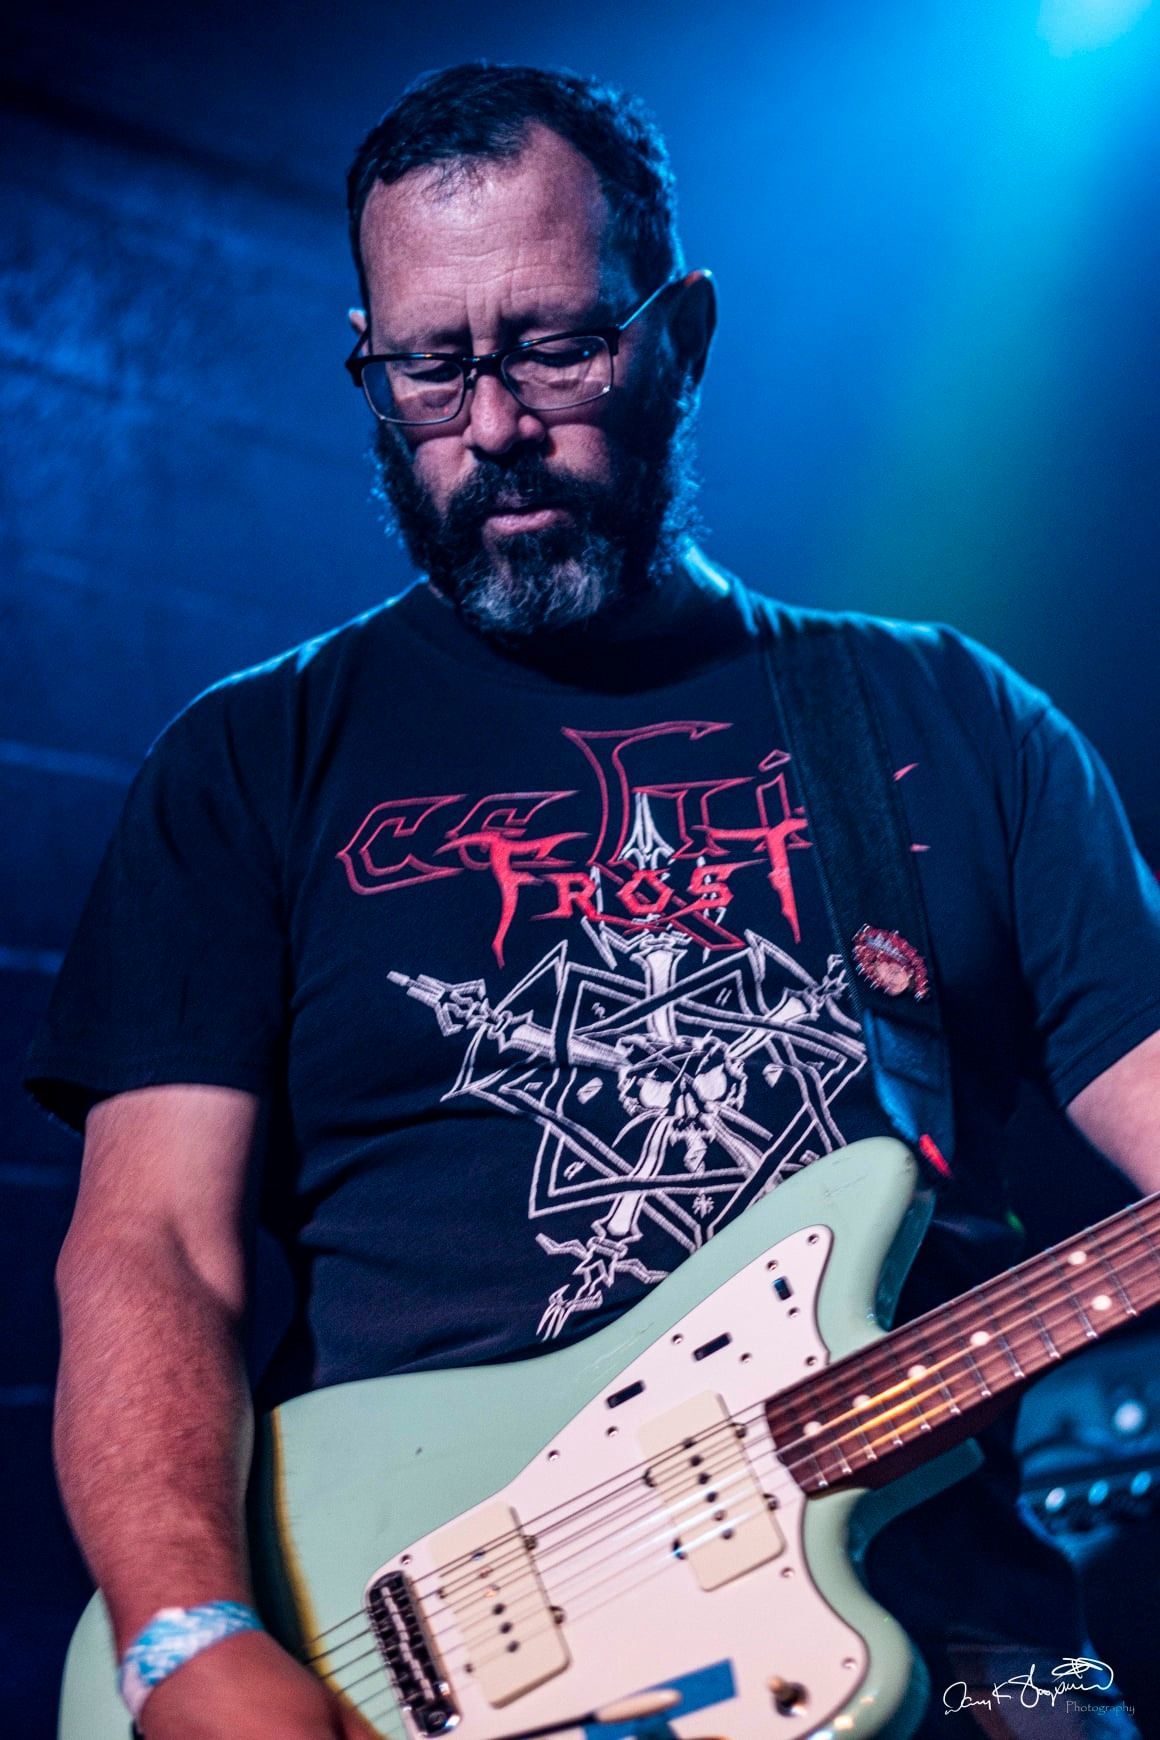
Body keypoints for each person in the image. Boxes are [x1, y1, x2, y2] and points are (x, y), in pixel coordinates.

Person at [27, 61, 1160, 1740]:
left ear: (679, 337)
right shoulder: (250, 760)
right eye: (429, 367)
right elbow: (152, 1250)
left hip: (972, 1638)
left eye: (555, 347)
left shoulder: (952, 721)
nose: (491, 427)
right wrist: (182, 1636)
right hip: (422, 1624)